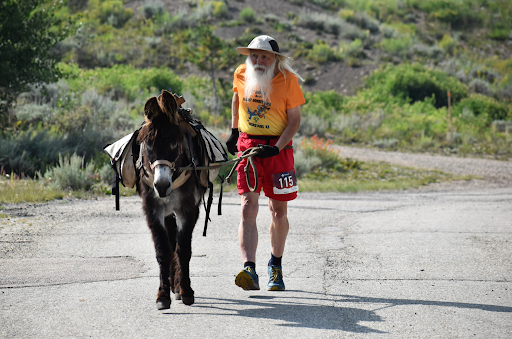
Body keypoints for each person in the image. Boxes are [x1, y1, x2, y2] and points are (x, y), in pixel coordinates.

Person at [225, 35, 306, 291]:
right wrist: (234, 131)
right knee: (248, 207)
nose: (258, 61)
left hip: (278, 148)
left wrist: (277, 148)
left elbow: (294, 121)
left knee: (277, 213)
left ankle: (276, 265)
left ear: (275, 59)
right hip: (249, 147)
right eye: (254, 56)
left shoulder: (288, 80)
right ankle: (249, 269)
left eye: (264, 56)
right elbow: (237, 98)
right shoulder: (241, 73)